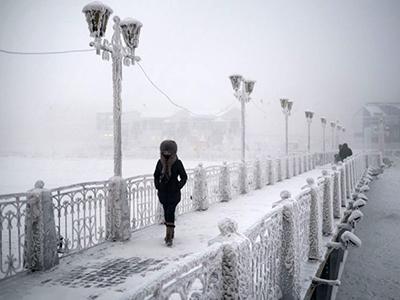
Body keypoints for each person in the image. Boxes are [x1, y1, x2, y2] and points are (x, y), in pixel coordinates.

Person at [153, 140, 187, 247]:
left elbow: (184, 177)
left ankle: (168, 236)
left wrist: (178, 186)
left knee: (170, 212)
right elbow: (156, 175)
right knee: (166, 212)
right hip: (163, 193)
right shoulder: (160, 162)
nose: (166, 153)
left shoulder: (177, 162)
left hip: (174, 193)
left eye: (169, 151)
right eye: (165, 151)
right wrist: (157, 186)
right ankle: (171, 232)